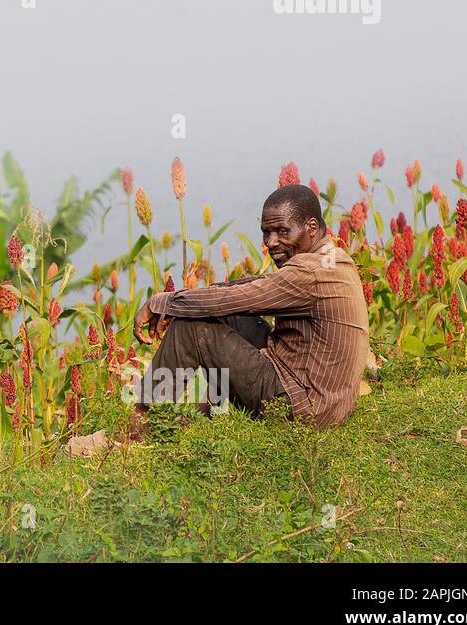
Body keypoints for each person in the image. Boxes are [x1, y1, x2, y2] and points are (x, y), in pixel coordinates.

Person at [126, 184, 369, 441]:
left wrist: (163, 302)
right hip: (324, 401)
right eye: (267, 232)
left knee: (192, 328)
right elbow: (248, 289)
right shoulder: (332, 257)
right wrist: (183, 301)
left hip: (302, 408)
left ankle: (143, 426)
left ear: (311, 227)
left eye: (282, 231)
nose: (272, 243)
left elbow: (239, 296)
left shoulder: (310, 272)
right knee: (225, 312)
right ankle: (211, 411)